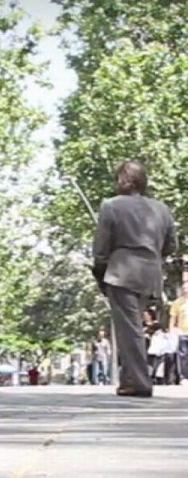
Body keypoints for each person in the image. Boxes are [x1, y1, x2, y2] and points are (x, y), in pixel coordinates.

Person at [92, 160, 176, 398]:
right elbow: (171, 245)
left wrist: (101, 269)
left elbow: (101, 247)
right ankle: (129, 379)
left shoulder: (111, 206)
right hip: (150, 273)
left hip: (122, 272)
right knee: (134, 325)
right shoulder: (161, 209)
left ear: (123, 180)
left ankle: (140, 382)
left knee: (129, 329)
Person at [169, 282, 188, 381]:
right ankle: (184, 376)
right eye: (184, 288)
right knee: (183, 355)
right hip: (182, 332)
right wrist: (171, 329)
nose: (186, 290)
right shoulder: (177, 303)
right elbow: (173, 317)